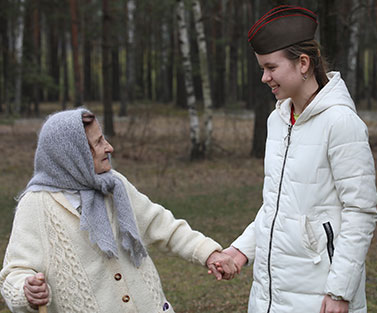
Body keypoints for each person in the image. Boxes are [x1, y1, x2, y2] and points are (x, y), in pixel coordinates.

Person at [219, 5, 377, 313]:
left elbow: (361, 212)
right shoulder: (277, 121)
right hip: (268, 296)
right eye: (262, 69)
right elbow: (276, 207)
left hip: (322, 298)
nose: (264, 77)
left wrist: (340, 291)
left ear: (303, 63)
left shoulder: (341, 123)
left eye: (271, 67)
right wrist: (240, 251)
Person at [0, 108, 238, 313]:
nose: (109, 147)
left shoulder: (114, 185)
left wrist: (209, 253)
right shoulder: (36, 205)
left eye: (104, 139)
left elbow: (162, 225)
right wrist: (26, 290)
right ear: (74, 156)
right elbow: (15, 272)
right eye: (98, 143)